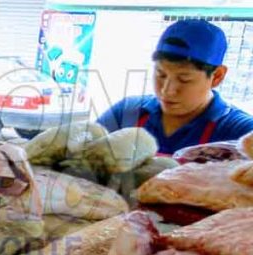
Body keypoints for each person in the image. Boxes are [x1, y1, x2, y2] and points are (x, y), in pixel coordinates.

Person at [98, 20, 253, 155]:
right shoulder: (127, 112)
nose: (167, 90)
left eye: (184, 79)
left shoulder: (240, 131)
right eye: (161, 75)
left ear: (217, 76)